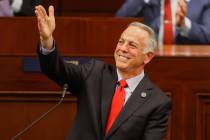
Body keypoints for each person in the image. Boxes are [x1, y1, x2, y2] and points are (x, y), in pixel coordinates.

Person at [35, 5, 171, 140]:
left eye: (132, 45)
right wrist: (47, 41)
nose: (123, 48)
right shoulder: (94, 73)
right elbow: (56, 69)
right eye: (121, 41)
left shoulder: (157, 102)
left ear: (148, 56)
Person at [116, 0, 210, 44]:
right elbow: (118, 23)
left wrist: (184, 25)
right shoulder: (149, 2)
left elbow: (208, 35)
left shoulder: (203, 2)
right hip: (148, 61)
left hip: (187, 64)